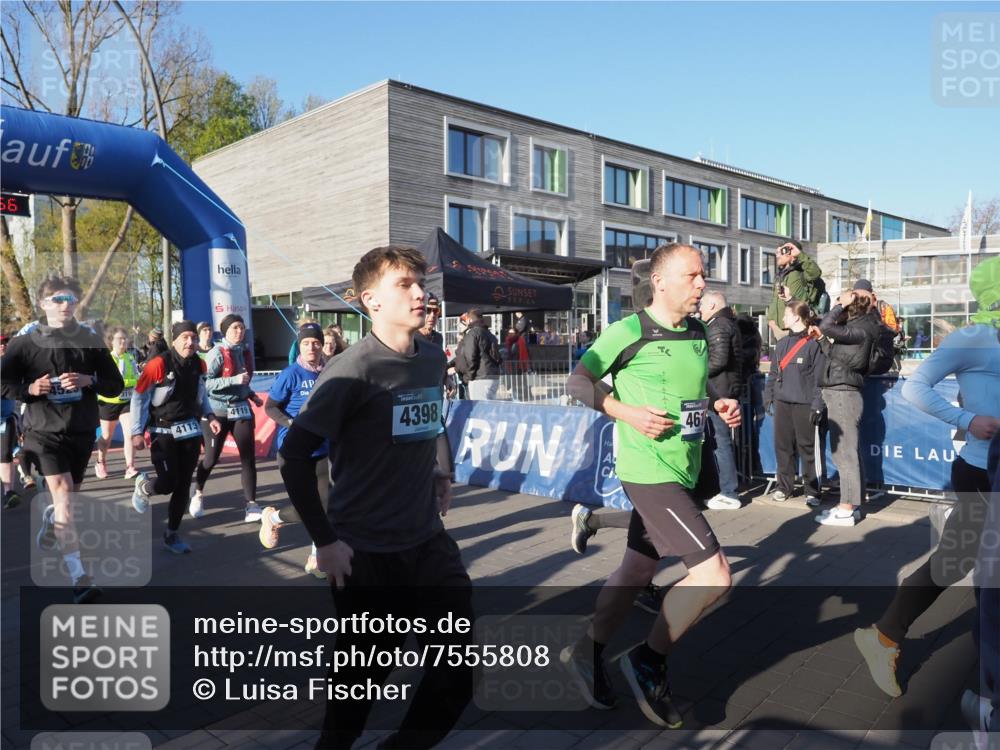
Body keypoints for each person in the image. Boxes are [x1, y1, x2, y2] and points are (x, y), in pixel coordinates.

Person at [278, 245, 472, 750]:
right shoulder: (349, 371)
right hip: (364, 555)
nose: (419, 293)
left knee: (456, 673)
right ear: (372, 301)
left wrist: (440, 469)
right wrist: (324, 542)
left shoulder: (431, 356)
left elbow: (428, 419)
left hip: (428, 542)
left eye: (420, 283)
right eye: (404, 284)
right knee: (358, 691)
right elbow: (294, 455)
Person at [563, 243, 741, 727]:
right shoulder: (628, 331)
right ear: (660, 282)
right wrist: (627, 412)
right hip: (648, 470)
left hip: (683, 466)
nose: (701, 284)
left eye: (703, 275)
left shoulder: (699, 332)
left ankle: (585, 650)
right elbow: (579, 382)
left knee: (636, 572)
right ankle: (648, 659)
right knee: (715, 576)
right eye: (692, 276)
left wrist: (718, 404)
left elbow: (694, 385)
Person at [853, 256, 1000, 698]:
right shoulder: (973, 338)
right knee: (960, 562)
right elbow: (915, 387)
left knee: (973, 564)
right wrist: (966, 418)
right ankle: (885, 637)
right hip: (980, 470)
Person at [0, 275, 124, 602]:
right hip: (43, 433)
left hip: (81, 432)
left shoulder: (90, 339)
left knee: (69, 503)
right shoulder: (24, 343)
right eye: (58, 299)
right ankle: (80, 577)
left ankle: (51, 520)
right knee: (65, 495)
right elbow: (3, 384)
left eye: (70, 298)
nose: (65, 304)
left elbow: (114, 384)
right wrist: (29, 390)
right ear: (43, 304)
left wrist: (89, 379)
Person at [130, 321, 223, 553]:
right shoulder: (159, 363)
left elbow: (201, 394)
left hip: (190, 430)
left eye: (193, 338)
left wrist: (209, 414)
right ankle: (144, 487)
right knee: (168, 482)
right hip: (162, 430)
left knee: (183, 485)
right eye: (185, 338)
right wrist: (136, 431)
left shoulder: (199, 364)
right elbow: (139, 397)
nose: (190, 342)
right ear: (175, 340)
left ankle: (172, 534)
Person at [259, 323, 330, 577]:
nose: (312, 347)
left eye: (316, 342)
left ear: (322, 345)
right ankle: (274, 518)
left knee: (325, 505)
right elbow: (270, 408)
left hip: (322, 449)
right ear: (299, 346)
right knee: (308, 508)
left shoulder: (329, 371)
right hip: (293, 450)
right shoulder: (290, 374)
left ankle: (316, 558)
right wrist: (293, 424)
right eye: (306, 343)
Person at [810, 280, 882, 526]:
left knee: (844, 454)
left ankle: (846, 507)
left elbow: (827, 324)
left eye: (844, 306)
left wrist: (840, 305)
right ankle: (854, 504)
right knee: (847, 452)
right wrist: (821, 340)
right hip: (842, 391)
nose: (840, 308)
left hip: (843, 393)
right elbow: (838, 357)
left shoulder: (861, 328)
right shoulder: (860, 328)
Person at [192, 314, 264, 522]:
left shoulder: (244, 351)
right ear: (224, 331)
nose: (239, 332)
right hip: (218, 411)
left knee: (248, 458)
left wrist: (251, 395)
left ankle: (251, 504)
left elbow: (242, 382)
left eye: (241, 328)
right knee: (211, 458)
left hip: (241, 409)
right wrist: (234, 379)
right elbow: (207, 384)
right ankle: (197, 492)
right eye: (234, 328)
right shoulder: (216, 352)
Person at [763, 301, 826, 505]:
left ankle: (813, 491)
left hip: (805, 404)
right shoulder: (781, 344)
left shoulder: (813, 344)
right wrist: (768, 395)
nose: (783, 318)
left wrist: (818, 403)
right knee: (783, 447)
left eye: (786, 315)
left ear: (797, 317)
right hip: (783, 403)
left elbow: (820, 378)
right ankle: (784, 486)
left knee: (808, 448)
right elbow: (773, 374)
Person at [699, 291, 743, 510]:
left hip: (720, 390)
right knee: (720, 441)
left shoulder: (719, 325)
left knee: (720, 442)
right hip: (725, 388)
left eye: (703, 306)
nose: (700, 310)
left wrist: (695, 373)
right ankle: (725, 488)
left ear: (713, 304)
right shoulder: (727, 323)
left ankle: (729, 492)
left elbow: (718, 360)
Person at [94, 327, 140, 480]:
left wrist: (132, 381)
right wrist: (128, 382)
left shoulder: (130, 358)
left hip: (126, 401)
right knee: (107, 436)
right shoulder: (107, 359)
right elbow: (111, 381)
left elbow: (137, 378)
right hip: (108, 402)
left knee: (130, 434)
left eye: (124, 338)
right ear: (111, 341)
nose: (122, 341)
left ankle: (130, 466)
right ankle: (100, 461)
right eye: (119, 339)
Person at [766, 240, 823, 342]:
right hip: (779, 330)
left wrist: (800, 255)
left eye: (781, 252)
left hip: (797, 329)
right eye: (777, 252)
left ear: (791, 253)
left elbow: (815, 273)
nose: (777, 255)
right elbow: (775, 301)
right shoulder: (780, 275)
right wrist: (771, 321)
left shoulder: (801, 272)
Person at [455, 308, 502, 400]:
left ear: (469, 319)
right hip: (493, 376)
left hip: (480, 378)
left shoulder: (473, 333)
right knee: (488, 410)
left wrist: (467, 377)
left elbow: (470, 357)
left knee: (480, 411)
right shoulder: (490, 334)